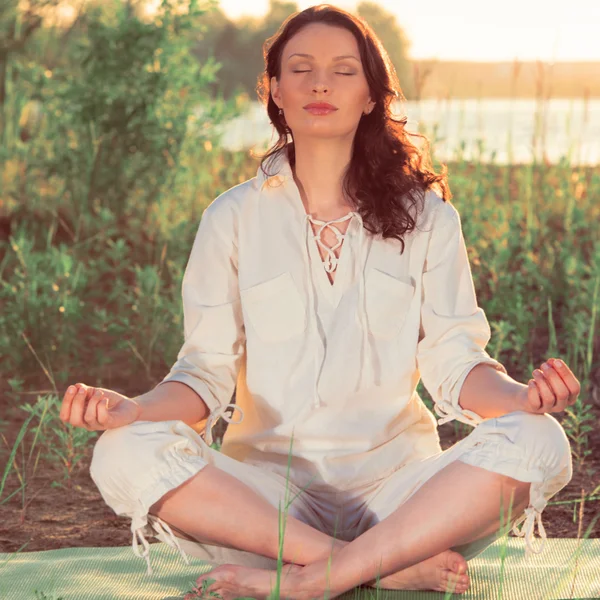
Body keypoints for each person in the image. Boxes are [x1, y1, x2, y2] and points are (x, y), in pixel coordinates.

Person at [59, 5, 576, 598]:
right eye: (300, 69)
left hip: (402, 496)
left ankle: (305, 582)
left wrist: (522, 400)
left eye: (343, 71)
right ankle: (367, 566)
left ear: (370, 96)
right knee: (121, 450)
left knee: (540, 441)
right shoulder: (232, 218)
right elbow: (203, 377)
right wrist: (135, 410)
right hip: (266, 509)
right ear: (276, 92)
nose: (320, 83)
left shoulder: (427, 217)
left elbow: (456, 361)